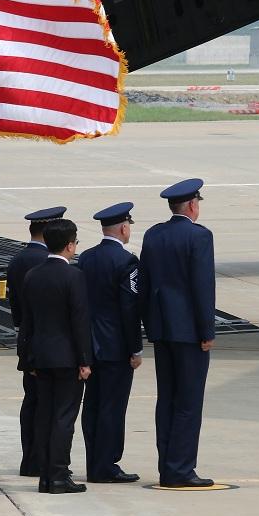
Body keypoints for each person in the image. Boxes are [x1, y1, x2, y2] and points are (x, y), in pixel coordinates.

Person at [138, 179, 216, 488]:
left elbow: (143, 285)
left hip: (162, 330)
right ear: (193, 205)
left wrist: (149, 322)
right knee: (188, 401)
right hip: (189, 333)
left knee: (167, 399)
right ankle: (180, 469)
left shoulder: (154, 234)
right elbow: (202, 287)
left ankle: (167, 465)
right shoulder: (199, 236)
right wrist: (206, 330)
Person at [21, 219, 92, 494]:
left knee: (45, 416)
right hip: (67, 358)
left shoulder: (33, 275)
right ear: (69, 245)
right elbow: (80, 321)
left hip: (40, 357)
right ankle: (59, 476)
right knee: (64, 418)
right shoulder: (73, 276)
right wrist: (85, 360)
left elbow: (27, 322)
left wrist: (27, 359)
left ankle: (45, 476)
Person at [77, 202, 143, 484]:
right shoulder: (127, 262)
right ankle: (107, 465)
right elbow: (129, 308)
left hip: (89, 345)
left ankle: (95, 461)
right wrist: (135, 347)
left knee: (92, 406)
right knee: (112, 408)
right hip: (116, 347)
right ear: (124, 228)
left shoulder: (86, 258)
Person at [8, 206, 66, 478]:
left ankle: (29, 458)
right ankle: (43, 460)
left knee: (31, 401)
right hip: (48, 341)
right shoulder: (47, 262)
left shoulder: (18, 260)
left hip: (25, 338)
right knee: (48, 405)